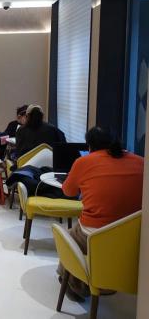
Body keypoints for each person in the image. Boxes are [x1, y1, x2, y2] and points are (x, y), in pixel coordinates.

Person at [58, 127, 143, 300]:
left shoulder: (84, 162)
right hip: (135, 234)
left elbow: (68, 191)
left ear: (89, 146)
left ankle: (74, 284)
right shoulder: (141, 161)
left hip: (96, 233)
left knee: (70, 236)